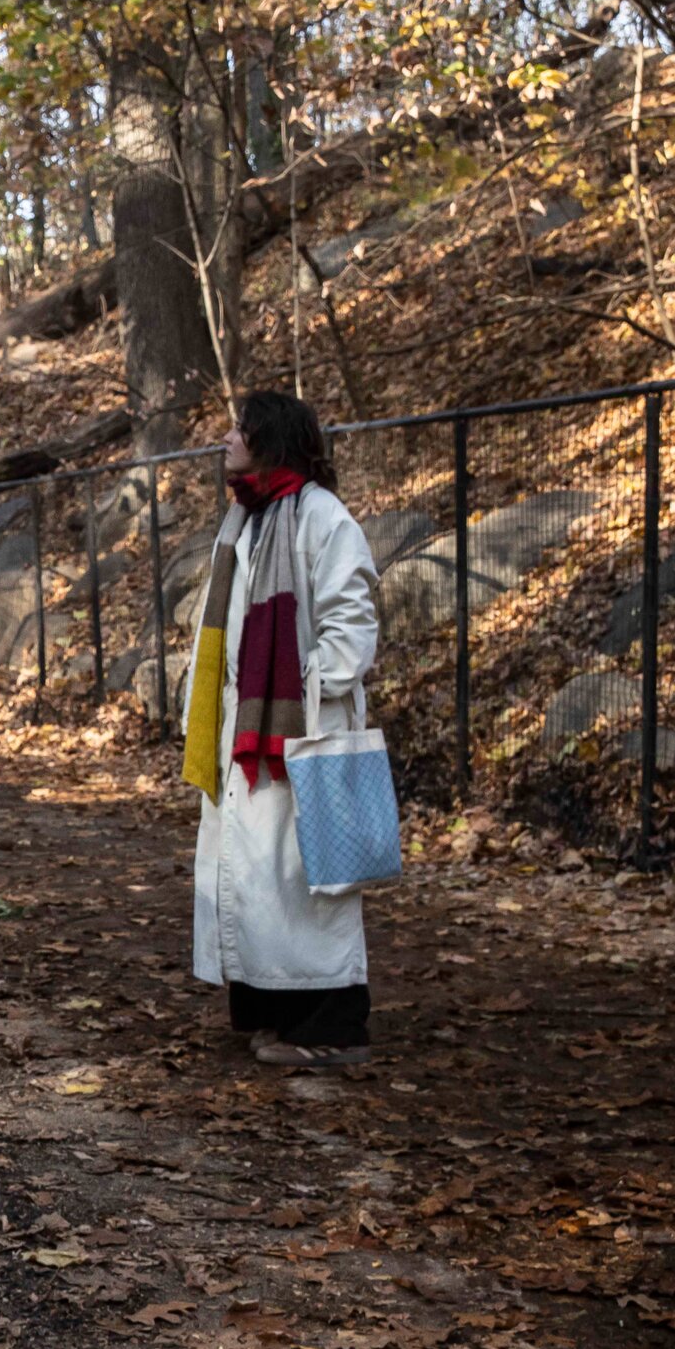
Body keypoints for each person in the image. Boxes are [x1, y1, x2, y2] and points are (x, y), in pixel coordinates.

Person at [181, 389, 380, 1067]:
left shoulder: (322, 517)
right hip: (250, 729)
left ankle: (329, 1026)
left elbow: (351, 628)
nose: (226, 439)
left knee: (306, 879)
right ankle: (273, 1010)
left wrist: (299, 692)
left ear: (269, 441)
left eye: (239, 429)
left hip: (299, 729)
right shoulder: (245, 519)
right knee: (262, 878)